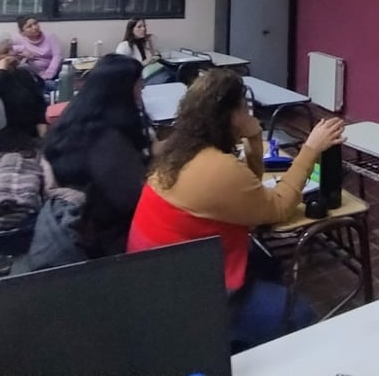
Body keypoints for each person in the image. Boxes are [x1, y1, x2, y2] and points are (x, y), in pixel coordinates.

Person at [128, 69, 346, 350]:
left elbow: (247, 191)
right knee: (300, 314)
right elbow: (279, 207)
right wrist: (310, 149)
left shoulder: (182, 150)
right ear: (231, 115)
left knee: (265, 261)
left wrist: (254, 139)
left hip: (157, 278)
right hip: (185, 300)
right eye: (244, 106)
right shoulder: (217, 167)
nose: (248, 112)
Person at [32, 53, 155, 265]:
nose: (142, 86)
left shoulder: (80, 116)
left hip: (90, 219)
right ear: (123, 88)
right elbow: (134, 199)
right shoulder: (107, 140)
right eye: (138, 82)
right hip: (107, 238)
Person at [114, 17, 173, 85]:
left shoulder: (150, 39)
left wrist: (158, 56)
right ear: (131, 30)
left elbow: (168, 53)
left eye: (144, 26)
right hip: (139, 78)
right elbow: (120, 68)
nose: (143, 29)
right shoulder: (125, 45)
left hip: (155, 71)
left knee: (174, 75)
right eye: (139, 27)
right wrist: (143, 63)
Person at [11, 15, 62, 86]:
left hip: (50, 75)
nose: (35, 27)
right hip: (30, 77)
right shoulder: (18, 39)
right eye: (29, 26)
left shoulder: (50, 36)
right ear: (22, 32)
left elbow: (57, 56)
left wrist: (48, 74)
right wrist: (22, 49)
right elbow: (6, 50)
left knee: (50, 85)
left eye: (35, 23)